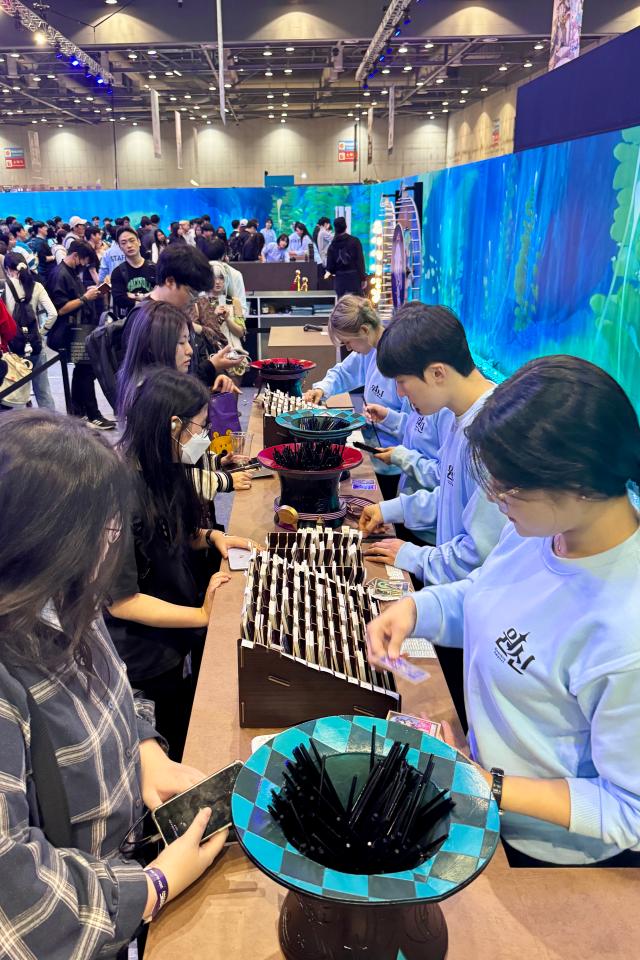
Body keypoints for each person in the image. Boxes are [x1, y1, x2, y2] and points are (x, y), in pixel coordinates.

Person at [367, 355, 640, 868]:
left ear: (577, 481)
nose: (495, 499)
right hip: (487, 798)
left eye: (509, 487)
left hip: (550, 860)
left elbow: (631, 809)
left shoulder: (626, 629)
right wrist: (414, 609)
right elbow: (485, 594)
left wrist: (487, 784)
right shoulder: (542, 527)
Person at [0, 409, 230, 957]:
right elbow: (15, 895)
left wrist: (147, 752)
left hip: (116, 891)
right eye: (105, 526)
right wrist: (152, 887)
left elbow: (117, 693)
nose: (113, 541)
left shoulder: (65, 599)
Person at [107, 368, 252, 756]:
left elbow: (175, 533)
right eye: (200, 426)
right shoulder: (119, 495)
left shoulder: (166, 468)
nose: (204, 437)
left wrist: (212, 537)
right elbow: (122, 600)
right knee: (169, 739)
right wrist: (203, 615)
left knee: (186, 715)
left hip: (175, 633)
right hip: (144, 655)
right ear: (174, 424)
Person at [359, 303, 505, 584]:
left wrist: (415, 557)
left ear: (437, 373)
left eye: (403, 381)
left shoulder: (491, 434)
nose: (400, 392)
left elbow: (483, 553)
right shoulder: (458, 416)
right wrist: (390, 509)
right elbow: (452, 498)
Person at [303, 294, 408, 500]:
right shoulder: (370, 351)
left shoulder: (400, 361)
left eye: (348, 342)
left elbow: (416, 428)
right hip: (374, 455)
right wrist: (322, 389)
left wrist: (387, 417)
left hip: (396, 464)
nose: (349, 348)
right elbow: (343, 372)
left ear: (365, 330)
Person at [118, 298, 241, 419]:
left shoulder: (145, 386)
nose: (190, 351)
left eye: (188, 341)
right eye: (181, 342)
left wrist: (212, 385)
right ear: (152, 345)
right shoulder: (158, 398)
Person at [48, 240, 115, 430]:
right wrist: (86, 298)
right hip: (68, 332)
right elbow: (60, 309)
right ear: (75, 256)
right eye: (84, 261)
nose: (85, 266)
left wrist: (87, 293)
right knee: (86, 369)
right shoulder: (60, 275)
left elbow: (74, 298)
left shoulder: (70, 273)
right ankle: (92, 413)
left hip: (79, 329)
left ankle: (79, 412)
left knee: (83, 370)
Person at [3, 252, 57, 410]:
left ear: (7, 268)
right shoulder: (37, 286)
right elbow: (53, 313)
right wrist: (41, 332)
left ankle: (21, 430)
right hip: (35, 344)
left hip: (14, 348)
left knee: (18, 391)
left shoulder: (3, 287)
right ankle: (51, 427)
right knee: (43, 390)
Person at [110, 226, 156, 319]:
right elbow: (119, 299)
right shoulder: (118, 272)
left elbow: (159, 294)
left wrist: (132, 296)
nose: (129, 245)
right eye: (124, 243)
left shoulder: (154, 268)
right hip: (129, 320)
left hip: (153, 318)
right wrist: (146, 298)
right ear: (120, 247)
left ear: (139, 242)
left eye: (132, 240)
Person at [326, 216, 366, 297]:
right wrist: (363, 278)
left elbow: (330, 268)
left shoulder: (332, 246)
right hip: (354, 279)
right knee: (356, 304)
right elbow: (360, 262)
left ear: (335, 228)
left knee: (343, 306)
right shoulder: (355, 241)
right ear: (346, 226)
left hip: (340, 281)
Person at [28, 220, 55, 285]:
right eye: (45, 227)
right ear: (39, 229)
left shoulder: (38, 241)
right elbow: (43, 258)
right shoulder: (40, 242)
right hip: (44, 274)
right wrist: (54, 256)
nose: (46, 229)